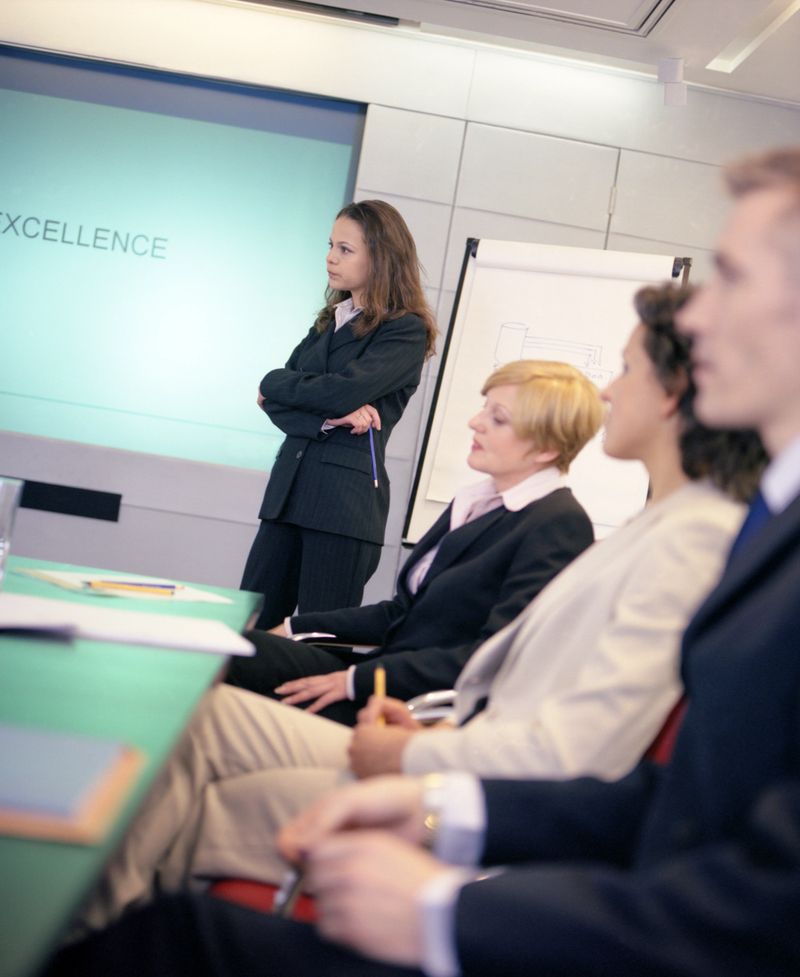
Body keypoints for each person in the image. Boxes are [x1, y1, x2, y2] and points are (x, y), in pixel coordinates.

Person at [47, 146, 800, 977]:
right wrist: (428, 729)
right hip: (454, 752)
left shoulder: (679, 536)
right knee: (207, 727)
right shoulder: (682, 526)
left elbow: (595, 760)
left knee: (188, 857)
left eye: (729, 275)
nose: (695, 323)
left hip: (499, 829)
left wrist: (420, 768)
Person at [227, 359, 600, 726]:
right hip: (382, 678)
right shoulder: (477, 501)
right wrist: (293, 627)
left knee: (228, 678)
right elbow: (401, 613)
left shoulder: (557, 523)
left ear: (548, 448)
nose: (475, 423)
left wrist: (355, 681)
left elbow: (490, 658)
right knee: (230, 648)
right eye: (484, 410)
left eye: (497, 418)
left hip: (409, 707)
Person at [241, 199, 437, 629]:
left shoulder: (405, 329)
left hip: (342, 509)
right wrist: (327, 417)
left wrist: (295, 392)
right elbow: (272, 393)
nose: (331, 257)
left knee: (315, 639)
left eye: (345, 249)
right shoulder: (329, 320)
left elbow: (341, 391)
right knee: (250, 626)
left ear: (381, 257)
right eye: (331, 245)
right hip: (287, 496)